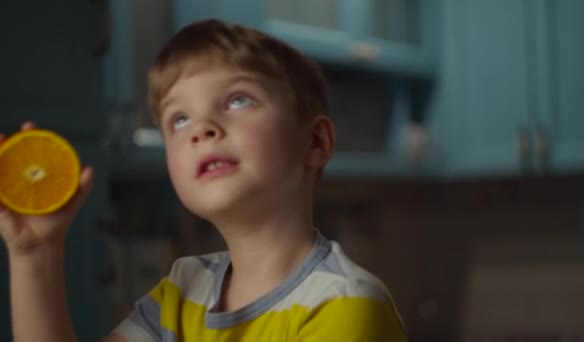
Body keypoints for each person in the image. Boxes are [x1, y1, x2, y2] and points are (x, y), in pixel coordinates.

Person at [0, 19, 406, 341]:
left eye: (238, 99)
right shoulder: (182, 291)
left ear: (315, 141)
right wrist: (35, 254)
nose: (202, 128)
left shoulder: (344, 305)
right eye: (179, 119)